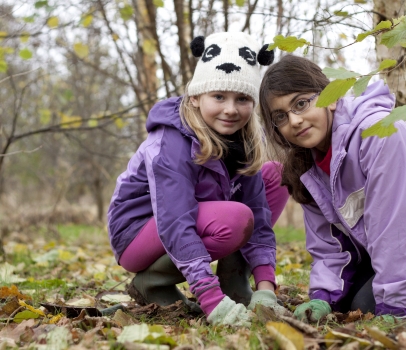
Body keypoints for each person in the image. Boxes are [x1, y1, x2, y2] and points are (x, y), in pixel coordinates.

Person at [258, 54, 406, 322]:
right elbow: (329, 247)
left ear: (331, 98)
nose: (294, 121)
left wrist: (394, 309)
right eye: (280, 116)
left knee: (367, 304)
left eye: (301, 104)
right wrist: (322, 297)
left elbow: (397, 229)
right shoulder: (308, 168)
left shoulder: (380, 133)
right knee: (351, 304)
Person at [107, 32, 290, 327]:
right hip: (139, 232)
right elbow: (175, 219)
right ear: (195, 96)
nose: (231, 109)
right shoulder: (171, 142)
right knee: (234, 218)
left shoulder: (243, 141)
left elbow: (259, 215)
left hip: (195, 216)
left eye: (242, 98)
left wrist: (267, 287)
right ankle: (153, 281)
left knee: (275, 177)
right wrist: (209, 298)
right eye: (218, 96)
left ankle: (235, 282)